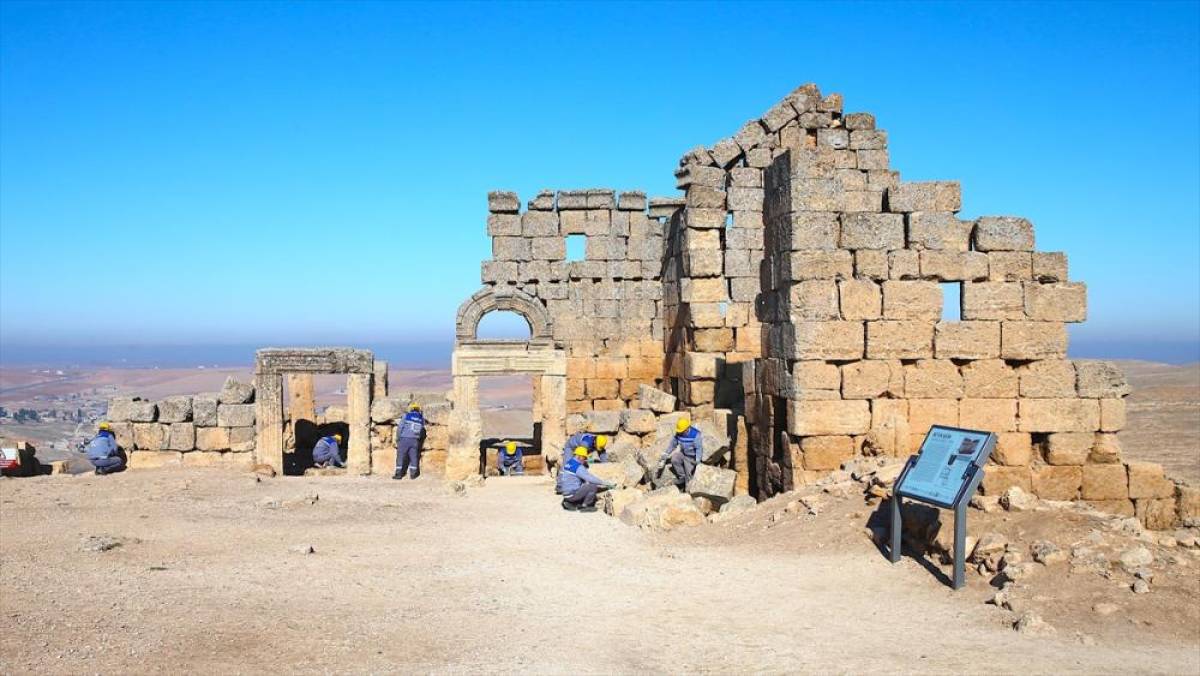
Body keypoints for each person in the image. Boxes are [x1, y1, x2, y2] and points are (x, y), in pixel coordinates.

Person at [559, 446, 614, 512]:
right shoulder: (578, 467)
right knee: (593, 486)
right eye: (584, 457)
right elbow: (590, 478)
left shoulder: (569, 463)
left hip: (566, 494)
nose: (585, 459)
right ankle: (585, 506)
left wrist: (591, 461)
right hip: (572, 494)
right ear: (580, 456)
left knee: (583, 483)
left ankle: (571, 503)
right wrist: (604, 483)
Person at [658, 417, 703, 490]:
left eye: (682, 431)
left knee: (689, 472)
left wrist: (698, 460)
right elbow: (673, 444)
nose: (680, 432)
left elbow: (699, 449)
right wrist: (666, 454)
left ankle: (688, 489)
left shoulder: (695, 435)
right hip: (683, 454)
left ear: (687, 429)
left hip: (692, 458)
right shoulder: (679, 433)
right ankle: (682, 477)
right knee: (674, 458)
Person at [394, 402, 425, 480]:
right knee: (413, 457)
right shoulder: (421, 418)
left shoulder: (406, 416)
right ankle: (413, 474)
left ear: (411, 409)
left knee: (400, 456)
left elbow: (400, 427)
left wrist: (398, 437)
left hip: (404, 438)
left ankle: (398, 474)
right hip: (415, 440)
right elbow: (421, 430)